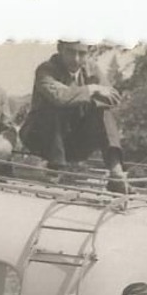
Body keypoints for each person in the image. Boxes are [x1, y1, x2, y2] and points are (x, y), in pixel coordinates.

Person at [19, 41, 128, 189]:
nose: (76, 59)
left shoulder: (92, 69)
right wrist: (91, 90)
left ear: (88, 52)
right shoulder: (46, 69)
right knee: (54, 107)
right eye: (71, 52)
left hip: (73, 141)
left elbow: (113, 97)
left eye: (82, 53)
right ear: (60, 49)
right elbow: (59, 97)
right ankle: (54, 170)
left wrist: (81, 98)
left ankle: (116, 172)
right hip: (41, 140)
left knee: (103, 112)